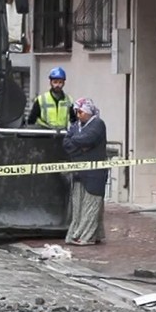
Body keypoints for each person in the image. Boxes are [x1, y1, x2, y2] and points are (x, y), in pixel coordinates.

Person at [62, 97, 108, 245]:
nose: (78, 114)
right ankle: (85, 233)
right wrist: (80, 148)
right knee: (78, 206)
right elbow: (66, 143)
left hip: (94, 174)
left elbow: (89, 139)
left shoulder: (98, 124)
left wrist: (76, 143)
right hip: (78, 172)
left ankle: (85, 235)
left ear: (88, 111)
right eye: (76, 111)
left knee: (91, 205)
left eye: (81, 111)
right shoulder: (75, 126)